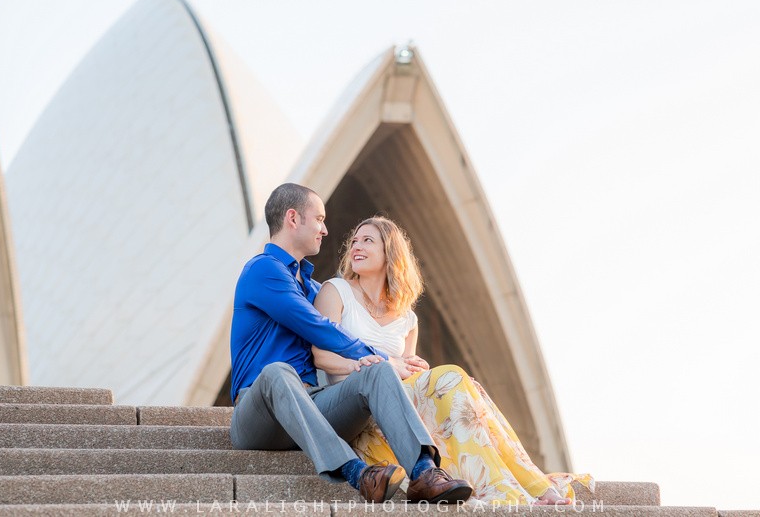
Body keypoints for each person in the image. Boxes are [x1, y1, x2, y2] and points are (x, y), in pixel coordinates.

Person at [312, 216, 594, 506]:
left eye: (367, 240)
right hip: (356, 408)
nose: (356, 247)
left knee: (464, 392)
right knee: (451, 379)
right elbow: (321, 356)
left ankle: (529, 486)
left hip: (401, 412)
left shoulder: (408, 319)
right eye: (354, 241)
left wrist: (414, 370)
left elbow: (405, 375)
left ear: (390, 252)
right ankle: (511, 491)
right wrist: (374, 364)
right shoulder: (336, 291)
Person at [229, 183, 472, 504]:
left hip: (312, 405)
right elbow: (318, 328)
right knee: (278, 371)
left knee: (378, 372)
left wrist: (382, 363)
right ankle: (357, 472)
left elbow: (349, 340)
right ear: (293, 218)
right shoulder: (263, 270)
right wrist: (384, 357)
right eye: (319, 219)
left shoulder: (314, 289)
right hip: (259, 414)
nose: (325, 230)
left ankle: (424, 472)